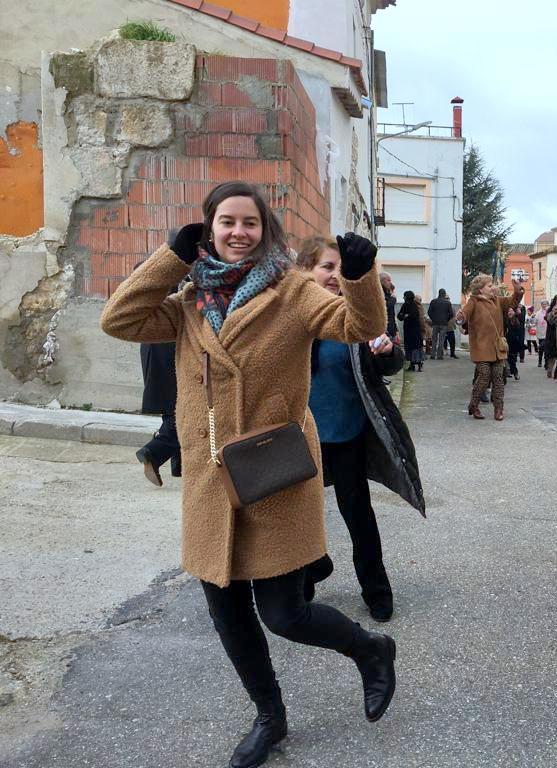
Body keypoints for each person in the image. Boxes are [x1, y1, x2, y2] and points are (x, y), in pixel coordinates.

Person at [99, 181, 397, 768]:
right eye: (227, 222)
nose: (239, 233)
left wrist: (361, 279)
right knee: (228, 615)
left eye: (251, 223)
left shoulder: (291, 289)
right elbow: (120, 318)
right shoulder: (188, 300)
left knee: (285, 614)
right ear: (208, 229)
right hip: (212, 476)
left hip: (274, 473)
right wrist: (171, 258)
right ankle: (270, 716)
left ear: (267, 231)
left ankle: (370, 649)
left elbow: (356, 327)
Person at [297, 236, 426, 623]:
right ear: (306, 270)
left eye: (341, 268)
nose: (335, 276)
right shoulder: (291, 317)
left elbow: (392, 364)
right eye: (326, 267)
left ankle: (377, 591)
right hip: (300, 438)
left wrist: (387, 352)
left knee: (359, 517)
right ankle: (302, 583)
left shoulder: (359, 314)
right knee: (299, 517)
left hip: (348, 434)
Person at [456, 274, 524, 420]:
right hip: (481, 347)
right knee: (484, 377)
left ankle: (498, 409)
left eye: (492, 284)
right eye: (489, 285)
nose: (493, 287)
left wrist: (518, 289)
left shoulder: (498, 301)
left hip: (498, 347)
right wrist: (460, 317)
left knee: (499, 378)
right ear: (480, 290)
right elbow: (465, 314)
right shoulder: (473, 301)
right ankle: (473, 405)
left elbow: (513, 301)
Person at [136, 335, 181, 487]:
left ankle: (180, 467)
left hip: (154, 344)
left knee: (172, 407)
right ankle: (153, 452)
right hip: (171, 346)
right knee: (184, 410)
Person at [398, 290, 424, 372]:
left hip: (415, 330)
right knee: (409, 347)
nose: (403, 298)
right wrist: (404, 315)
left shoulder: (414, 306)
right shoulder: (405, 305)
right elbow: (399, 315)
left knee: (415, 347)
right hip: (408, 330)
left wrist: (406, 315)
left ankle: (419, 364)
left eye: (404, 296)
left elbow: (413, 316)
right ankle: (412, 365)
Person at [428, 289, 455, 360]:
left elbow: (429, 312)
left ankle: (433, 355)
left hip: (435, 323)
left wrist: (433, 319)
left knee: (434, 339)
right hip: (444, 323)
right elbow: (451, 314)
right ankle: (439, 355)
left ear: (439, 293)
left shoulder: (433, 301)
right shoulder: (448, 303)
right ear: (444, 294)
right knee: (441, 340)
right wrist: (446, 319)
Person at [505, 304, 526, 380]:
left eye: (511, 311)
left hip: (514, 343)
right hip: (505, 342)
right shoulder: (504, 320)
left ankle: (515, 372)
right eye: (508, 311)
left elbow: (522, 317)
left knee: (512, 359)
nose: (510, 312)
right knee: (504, 359)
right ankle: (507, 372)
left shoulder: (517, 319)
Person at [380, 271, 398, 340]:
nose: (390, 283)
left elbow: (392, 314)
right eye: (388, 280)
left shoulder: (388, 294)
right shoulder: (379, 294)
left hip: (390, 331)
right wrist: (393, 299)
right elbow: (386, 307)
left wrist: (395, 331)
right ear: (382, 281)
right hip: (383, 331)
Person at [536, 299, 549, 368]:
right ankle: (540, 361)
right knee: (541, 348)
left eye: (545, 304)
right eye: (543, 304)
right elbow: (535, 321)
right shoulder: (538, 313)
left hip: (548, 334)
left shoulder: (549, 312)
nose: (544, 305)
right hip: (541, 333)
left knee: (547, 349)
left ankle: (546, 363)